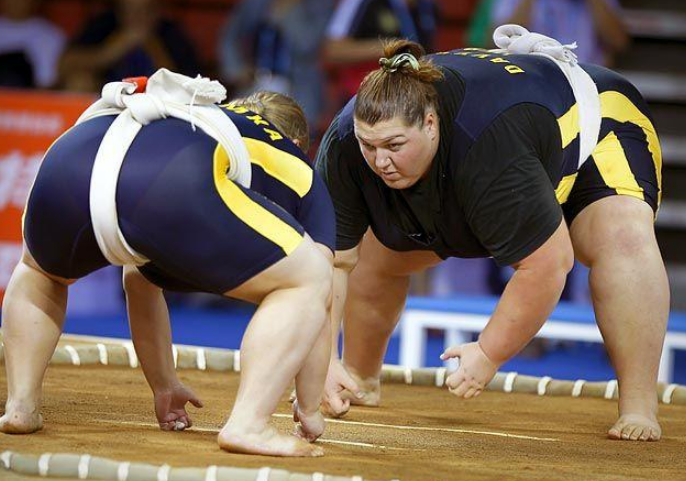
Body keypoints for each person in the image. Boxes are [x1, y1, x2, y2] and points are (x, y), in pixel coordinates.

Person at [315, 33, 667, 442]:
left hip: (592, 127)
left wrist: (488, 353)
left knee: (620, 236)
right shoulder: (344, 145)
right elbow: (330, 260)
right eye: (369, 146)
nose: (381, 161)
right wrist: (321, 359)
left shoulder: (486, 143)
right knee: (373, 254)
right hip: (487, 150)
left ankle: (640, 404)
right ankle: (358, 377)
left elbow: (548, 264)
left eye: (393, 145)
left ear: (430, 123)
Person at [0, 78, 336, 457]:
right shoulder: (295, 164)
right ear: (296, 143)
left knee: (39, 271)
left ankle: (21, 406)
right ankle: (249, 424)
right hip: (170, 177)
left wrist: (164, 384)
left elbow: (138, 278)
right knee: (312, 276)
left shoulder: (200, 116)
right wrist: (309, 408)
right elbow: (321, 294)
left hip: (70, 156)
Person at [60, 0, 199, 92]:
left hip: (155, 103)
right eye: (130, 11)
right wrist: (114, 49)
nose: (137, 17)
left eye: (145, 11)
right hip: (106, 98)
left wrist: (151, 44)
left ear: (157, 11)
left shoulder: (171, 33)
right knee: (79, 82)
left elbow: (188, 87)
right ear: (119, 10)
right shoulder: (104, 24)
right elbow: (64, 66)